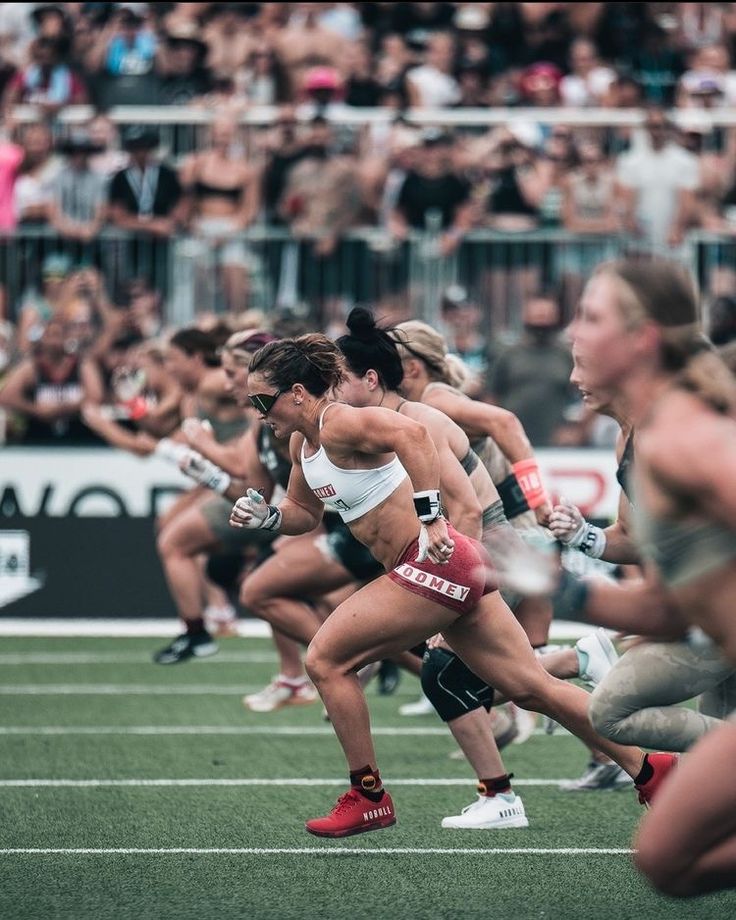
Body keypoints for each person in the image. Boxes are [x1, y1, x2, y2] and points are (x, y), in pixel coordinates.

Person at [229, 333, 658, 839]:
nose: (258, 412)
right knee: (531, 687)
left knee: (325, 660)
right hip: (440, 566)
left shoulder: (340, 421)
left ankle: (368, 797)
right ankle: (654, 772)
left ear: (298, 392)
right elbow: (305, 514)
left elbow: (413, 437)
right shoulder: (303, 442)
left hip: (433, 562)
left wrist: (431, 517)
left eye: (262, 400)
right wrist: (268, 517)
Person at [565, 257, 736, 897]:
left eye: (591, 317)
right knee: (666, 861)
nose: (573, 334)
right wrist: (559, 589)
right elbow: (668, 610)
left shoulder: (686, 437)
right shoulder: (654, 437)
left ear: (642, 340)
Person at [179, 116, 260, 313]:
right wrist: (193, 225)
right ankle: (200, 324)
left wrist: (230, 231)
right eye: (219, 132)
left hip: (231, 228)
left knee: (235, 273)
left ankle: (236, 322)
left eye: (228, 133)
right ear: (210, 134)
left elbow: (250, 209)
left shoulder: (245, 169)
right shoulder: (195, 163)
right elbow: (185, 202)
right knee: (198, 276)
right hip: (201, 227)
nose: (223, 137)